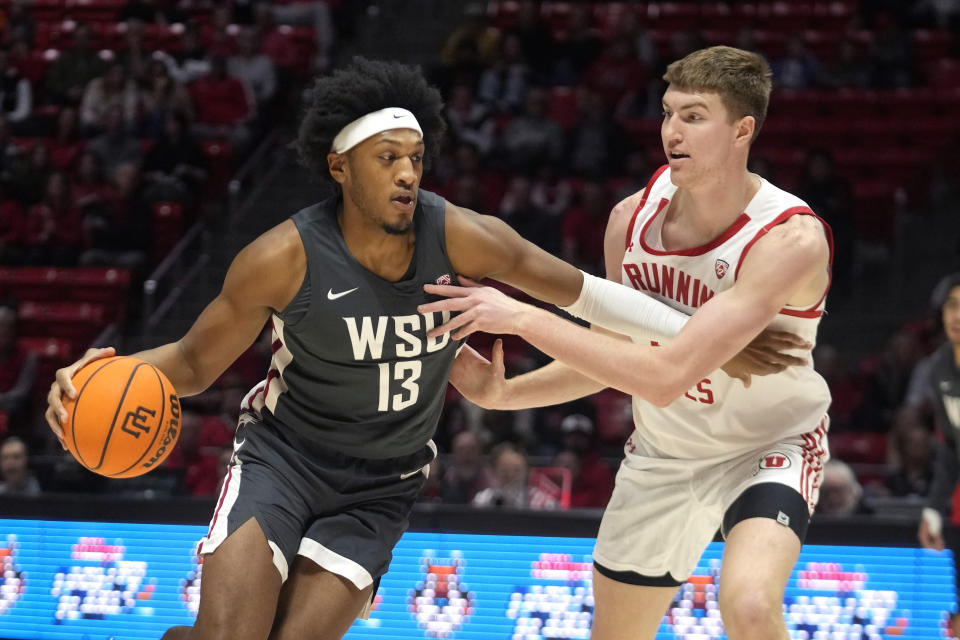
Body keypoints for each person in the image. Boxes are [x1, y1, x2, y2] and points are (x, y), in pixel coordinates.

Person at [45, 57, 801, 640]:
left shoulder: (460, 233)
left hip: (382, 483)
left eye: (416, 156)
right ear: (339, 167)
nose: (409, 172)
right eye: (387, 158)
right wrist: (100, 371)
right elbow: (190, 363)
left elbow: (583, 292)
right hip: (284, 460)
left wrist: (712, 341)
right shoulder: (281, 257)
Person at [422, 46, 832, 640]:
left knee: (745, 603)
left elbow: (669, 375)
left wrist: (520, 317)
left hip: (768, 444)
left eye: (694, 116)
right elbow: (614, 358)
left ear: (743, 129)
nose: (672, 131)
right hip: (665, 454)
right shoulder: (629, 220)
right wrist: (508, 394)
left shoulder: (788, 238)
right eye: (668, 113)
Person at [917, 272, 960, 636]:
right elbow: (950, 447)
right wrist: (933, 509)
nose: (957, 316)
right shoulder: (940, 368)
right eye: (952, 306)